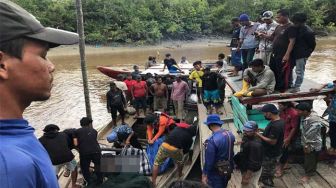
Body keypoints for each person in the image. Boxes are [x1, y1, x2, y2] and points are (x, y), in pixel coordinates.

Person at [0, 1, 78, 187]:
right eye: (43, 56)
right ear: (2, 65)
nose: (52, 66)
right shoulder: (9, 166)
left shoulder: (17, 136)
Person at [202, 114, 235, 188]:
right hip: (228, 168)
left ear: (209, 125)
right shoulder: (230, 134)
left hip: (216, 172)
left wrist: (204, 174)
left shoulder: (211, 140)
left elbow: (209, 161)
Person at [256, 104, 284, 187]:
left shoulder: (276, 126)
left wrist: (258, 135)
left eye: (264, 113)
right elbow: (271, 133)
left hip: (271, 153)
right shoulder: (278, 121)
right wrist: (261, 130)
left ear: (269, 113)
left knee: (267, 171)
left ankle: (268, 184)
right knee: (269, 168)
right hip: (275, 151)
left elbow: (272, 141)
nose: (263, 115)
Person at [269, 9, 296, 92]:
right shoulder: (278, 26)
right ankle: (276, 86)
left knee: (283, 71)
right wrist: (262, 35)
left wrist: (287, 54)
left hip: (283, 53)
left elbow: (292, 41)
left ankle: (283, 88)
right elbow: (272, 37)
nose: (277, 19)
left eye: (279, 17)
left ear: (285, 16)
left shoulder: (291, 27)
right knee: (274, 69)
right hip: (274, 53)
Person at [288, 13, 316, 93]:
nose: (294, 24)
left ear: (301, 22)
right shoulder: (295, 28)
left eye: (295, 22)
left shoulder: (308, 32)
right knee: (290, 69)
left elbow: (312, 45)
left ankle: (297, 87)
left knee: (299, 71)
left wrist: (307, 55)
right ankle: (290, 84)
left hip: (302, 54)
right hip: (293, 53)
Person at [296, 102, 322, 183]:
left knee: (309, 158)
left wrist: (306, 146)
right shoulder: (307, 115)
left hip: (312, 143)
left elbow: (311, 134)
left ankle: (308, 175)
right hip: (308, 141)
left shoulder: (314, 120)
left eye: (299, 111)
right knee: (312, 158)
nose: (298, 112)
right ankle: (312, 171)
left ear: (305, 111)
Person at [74, 117, 103, 186]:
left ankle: (89, 182)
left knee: (84, 168)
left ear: (81, 124)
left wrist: (79, 149)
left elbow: (75, 144)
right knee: (98, 165)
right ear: (90, 124)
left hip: (84, 152)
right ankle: (100, 181)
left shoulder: (76, 132)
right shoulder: (94, 131)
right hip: (96, 151)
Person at [276, 102, 300, 177]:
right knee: (283, 150)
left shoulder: (294, 113)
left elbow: (294, 127)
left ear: (286, 105)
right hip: (282, 132)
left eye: (280, 104)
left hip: (289, 135)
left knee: (284, 152)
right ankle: (284, 164)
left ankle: (280, 169)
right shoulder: (282, 111)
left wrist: (288, 138)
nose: (279, 106)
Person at [314, 80, 336, 155]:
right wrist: (319, 88)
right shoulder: (333, 87)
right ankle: (333, 147)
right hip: (332, 117)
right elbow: (326, 84)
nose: (334, 87)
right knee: (332, 132)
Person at [240, 121, 263, 188]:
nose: (245, 132)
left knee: (248, 185)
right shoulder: (247, 137)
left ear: (255, 131)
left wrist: (247, 177)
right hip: (246, 166)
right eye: (244, 130)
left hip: (251, 171)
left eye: (248, 131)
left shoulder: (255, 145)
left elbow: (253, 163)